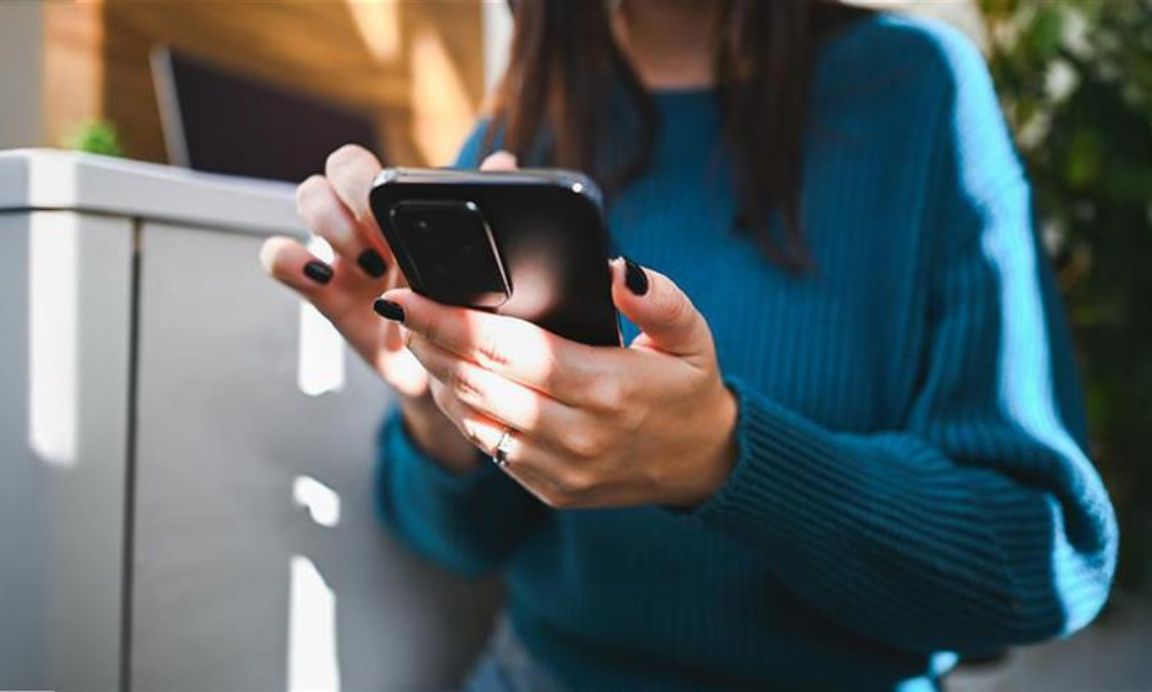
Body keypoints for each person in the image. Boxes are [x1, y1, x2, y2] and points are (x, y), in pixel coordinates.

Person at [260, 1, 1118, 689]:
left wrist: (722, 456)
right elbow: (461, 541)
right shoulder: (517, 138)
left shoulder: (918, 91)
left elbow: (1041, 561)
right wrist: (438, 406)